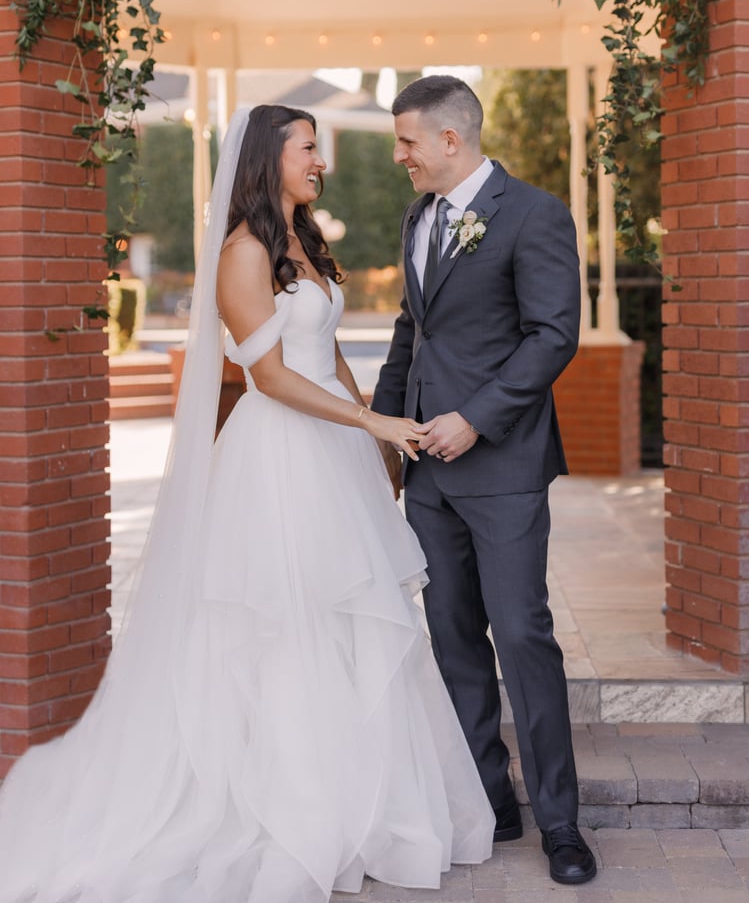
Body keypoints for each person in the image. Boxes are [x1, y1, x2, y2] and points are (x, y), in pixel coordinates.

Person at [0, 105, 495, 903]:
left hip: (333, 454)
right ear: (270, 159)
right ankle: (285, 811)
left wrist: (371, 442)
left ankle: (363, 808)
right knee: (281, 631)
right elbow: (267, 378)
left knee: (350, 629)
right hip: (276, 460)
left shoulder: (305, 242)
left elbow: (327, 353)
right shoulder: (241, 252)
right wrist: (371, 420)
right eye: (308, 149)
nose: (319, 163)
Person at [371, 75, 597, 887]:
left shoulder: (533, 214)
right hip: (428, 472)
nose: (397, 156)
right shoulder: (419, 216)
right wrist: (385, 439)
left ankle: (561, 823)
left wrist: (477, 416)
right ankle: (486, 799)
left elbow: (551, 335)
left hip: (499, 464)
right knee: (454, 639)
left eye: (404, 142)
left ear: (448, 140)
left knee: (522, 635)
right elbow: (413, 329)